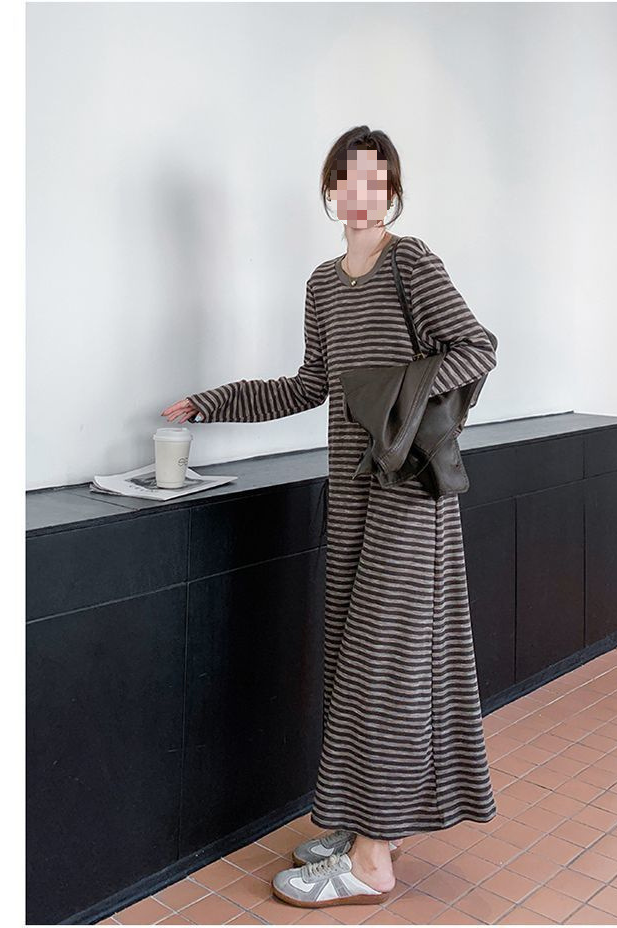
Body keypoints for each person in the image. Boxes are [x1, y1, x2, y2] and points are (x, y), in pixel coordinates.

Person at [161, 126, 498, 909]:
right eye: (348, 179)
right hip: (351, 496)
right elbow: (310, 384)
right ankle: (372, 827)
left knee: (386, 669)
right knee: (356, 663)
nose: (360, 194)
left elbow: (476, 347)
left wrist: (397, 396)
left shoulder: (411, 263)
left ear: (393, 192)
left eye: (376, 181)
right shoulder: (322, 282)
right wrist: (212, 403)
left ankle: (372, 863)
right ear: (330, 189)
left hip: (408, 496)